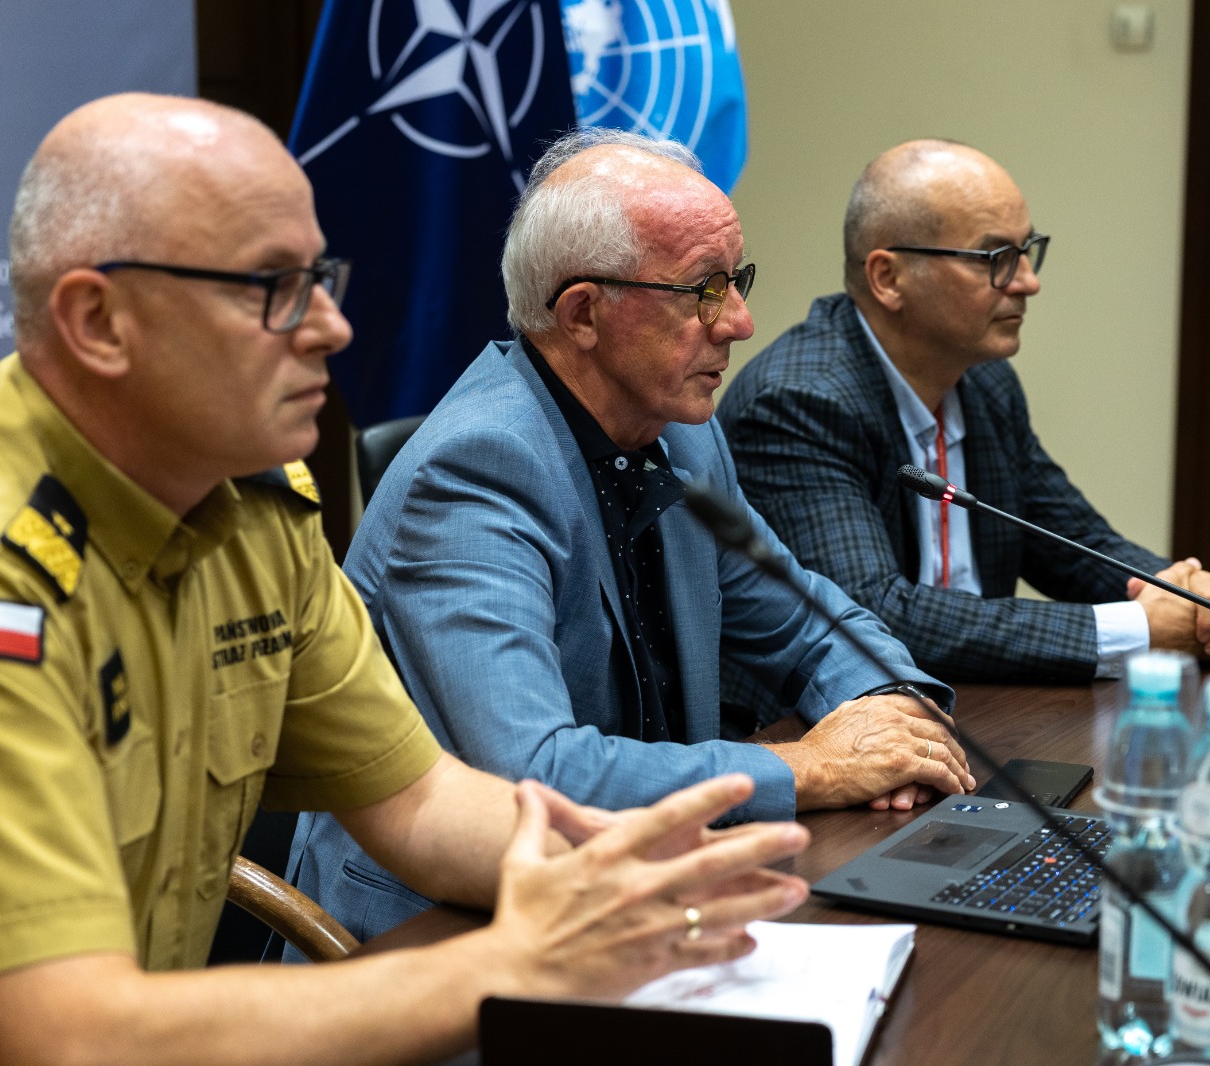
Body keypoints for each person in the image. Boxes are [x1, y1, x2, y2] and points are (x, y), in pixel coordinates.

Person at [0, 94, 817, 1066]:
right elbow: (78, 1036)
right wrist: (511, 965)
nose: (331, 327)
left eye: (321, 278)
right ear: (98, 322)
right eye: (273, 289)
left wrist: (639, 875)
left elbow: (422, 803)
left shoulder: (248, 506)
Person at [287, 129, 974, 946]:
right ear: (583, 313)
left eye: (737, 280)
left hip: (647, 891)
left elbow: (807, 621)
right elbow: (537, 776)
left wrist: (888, 715)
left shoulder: (680, 431)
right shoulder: (474, 472)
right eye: (703, 290)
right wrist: (814, 766)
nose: (741, 321)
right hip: (446, 932)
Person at [717, 139, 1210, 686]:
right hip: (817, 725)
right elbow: (869, 613)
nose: (1028, 281)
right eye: (997, 259)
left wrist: (1185, 593)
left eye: (1027, 251)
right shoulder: (799, 402)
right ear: (889, 278)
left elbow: (1071, 541)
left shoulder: (984, 381)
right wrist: (1137, 630)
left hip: (978, 705)